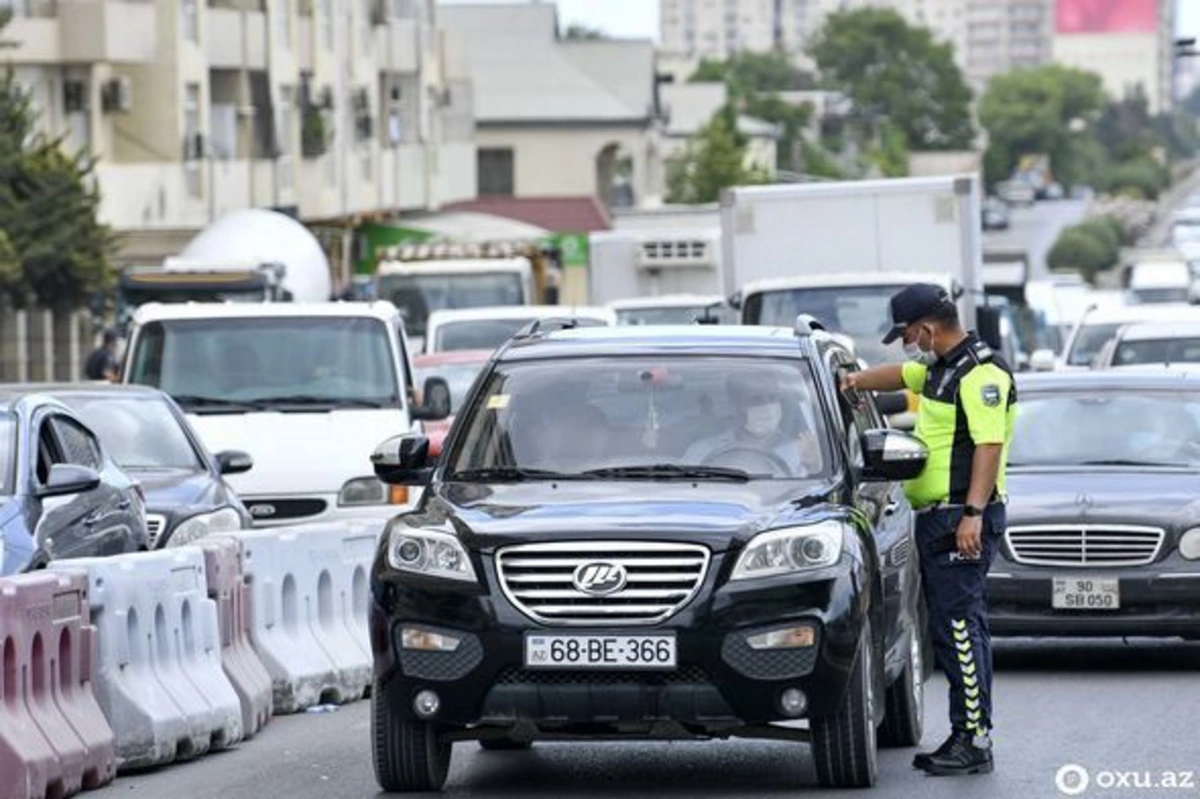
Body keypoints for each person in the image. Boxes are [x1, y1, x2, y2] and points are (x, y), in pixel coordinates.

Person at [841, 283, 1016, 777]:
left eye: (908, 333)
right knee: (952, 627)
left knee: (961, 629)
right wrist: (852, 381)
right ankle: (965, 733)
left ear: (928, 327)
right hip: (941, 518)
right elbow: (898, 374)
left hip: (962, 517)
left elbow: (989, 444)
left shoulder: (980, 372)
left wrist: (973, 514)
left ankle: (974, 740)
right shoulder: (942, 368)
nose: (907, 343)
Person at [683, 374, 821, 476]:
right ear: (736, 406)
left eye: (773, 398)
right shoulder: (702, 451)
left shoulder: (802, 453)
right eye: (756, 400)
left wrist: (814, 466)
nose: (767, 407)